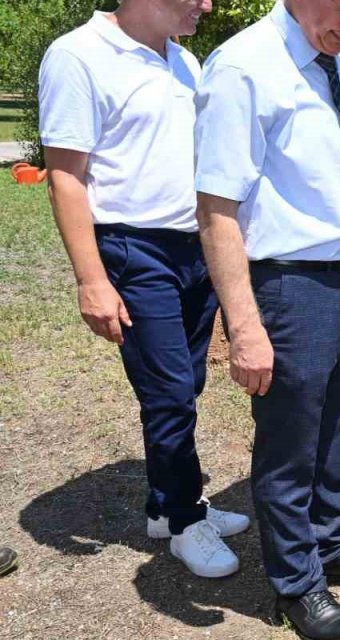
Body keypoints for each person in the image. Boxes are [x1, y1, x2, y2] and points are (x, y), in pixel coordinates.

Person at [195, 0, 340, 637]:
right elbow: (216, 206)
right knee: (292, 445)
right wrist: (244, 325)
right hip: (288, 284)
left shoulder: (337, 63)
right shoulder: (243, 66)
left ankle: (329, 541)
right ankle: (297, 582)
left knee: (339, 429)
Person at [38, 0, 250, 580]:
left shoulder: (187, 62)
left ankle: (163, 505)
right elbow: (64, 174)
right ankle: (185, 521)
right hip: (136, 250)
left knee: (187, 382)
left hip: (195, 247)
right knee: (170, 391)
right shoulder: (78, 55)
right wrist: (92, 280)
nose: (209, 5)